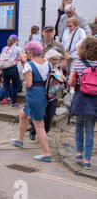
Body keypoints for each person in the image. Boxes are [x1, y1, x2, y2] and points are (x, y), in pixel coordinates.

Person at [11, 41, 52, 162]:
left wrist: (23, 82)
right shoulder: (47, 63)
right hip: (44, 94)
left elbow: (28, 84)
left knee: (39, 125)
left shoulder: (29, 65)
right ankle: (19, 139)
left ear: (32, 51)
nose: (26, 53)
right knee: (22, 114)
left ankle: (46, 153)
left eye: (27, 51)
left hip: (34, 95)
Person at [68, 37, 97, 170]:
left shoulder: (78, 63)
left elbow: (70, 82)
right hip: (94, 100)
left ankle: (79, 153)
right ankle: (87, 160)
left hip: (80, 97)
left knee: (79, 125)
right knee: (90, 129)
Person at [28, 50, 65, 140]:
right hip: (42, 95)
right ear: (48, 59)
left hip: (53, 96)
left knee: (49, 117)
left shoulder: (58, 68)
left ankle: (44, 133)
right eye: (54, 59)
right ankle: (32, 132)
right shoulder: (43, 66)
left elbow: (61, 79)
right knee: (39, 115)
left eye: (58, 60)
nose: (56, 62)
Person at [0, 35, 25, 107]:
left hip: (4, 68)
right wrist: (22, 58)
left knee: (6, 86)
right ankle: (14, 103)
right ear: (16, 41)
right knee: (15, 85)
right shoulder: (17, 48)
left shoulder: (4, 48)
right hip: (12, 68)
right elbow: (24, 59)